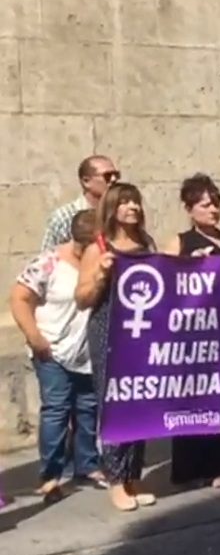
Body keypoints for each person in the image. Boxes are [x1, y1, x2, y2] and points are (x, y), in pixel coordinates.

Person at [11, 210, 104, 504]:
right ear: (82, 245)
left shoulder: (102, 263)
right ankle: (50, 476)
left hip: (86, 351)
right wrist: (34, 336)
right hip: (52, 350)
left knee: (88, 408)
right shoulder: (49, 262)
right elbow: (19, 297)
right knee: (57, 410)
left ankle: (87, 465)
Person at [74, 183, 156, 511]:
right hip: (109, 332)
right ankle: (116, 480)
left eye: (135, 201)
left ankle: (133, 477)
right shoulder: (99, 247)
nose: (132, 207)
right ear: (112, 208)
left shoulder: (145, 243)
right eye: (124, 202)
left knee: (141, 402)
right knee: (116, 405)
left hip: (143, 332)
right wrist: (101, 276)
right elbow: (81, 299)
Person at [163, 174, 220, 488]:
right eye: (205, 205)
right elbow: (166, 286)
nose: (213, 210)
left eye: (216, 204)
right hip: (192, 337)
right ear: (189, 208)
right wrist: (187, 265)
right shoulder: (180, 242)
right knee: (191, 400)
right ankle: (189, 467)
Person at [41, 155, 119, 250]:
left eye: (116, 175)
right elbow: (48, 258)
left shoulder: (121, 213)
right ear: (86, 181)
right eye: (107, 176)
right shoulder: (64, 217)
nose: (114, 179)